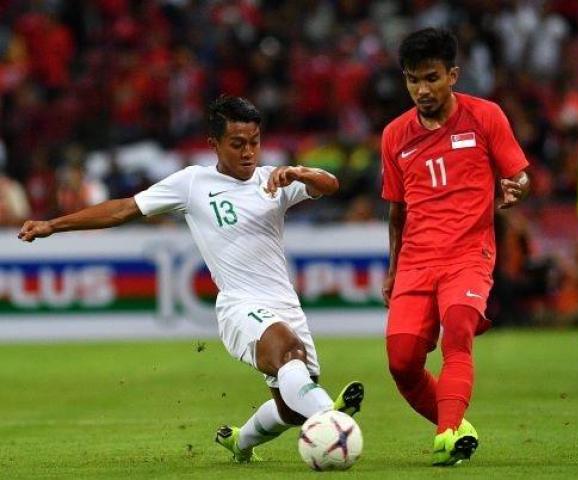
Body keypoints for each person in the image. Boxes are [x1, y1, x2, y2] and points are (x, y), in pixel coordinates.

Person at [18, 96, 364, 462]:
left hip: (285, 304)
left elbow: (331, 185)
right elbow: (124, 209)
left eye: (255, 142)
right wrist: (53, 225)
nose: (249, 153)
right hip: (240, 305)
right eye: (237, 144)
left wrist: (300, 172)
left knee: (292, 409)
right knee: (289, 353)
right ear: (214, 144)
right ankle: (332, 420)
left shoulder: (273, 180)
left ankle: (240, 442)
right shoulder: (192, 183)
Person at [380, 28, 530, 466]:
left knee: (459, 333)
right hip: (415, 261)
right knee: (402, 362)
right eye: (412, 80)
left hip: (469, 255)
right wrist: (393, 269)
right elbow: (396, 212)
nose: (421, 90)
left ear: (453, 75)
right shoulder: (394, 136)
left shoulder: (486, 117)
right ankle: (457, 427)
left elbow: (520, 175)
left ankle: (447, 435)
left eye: (431, 78)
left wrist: (517, 186)